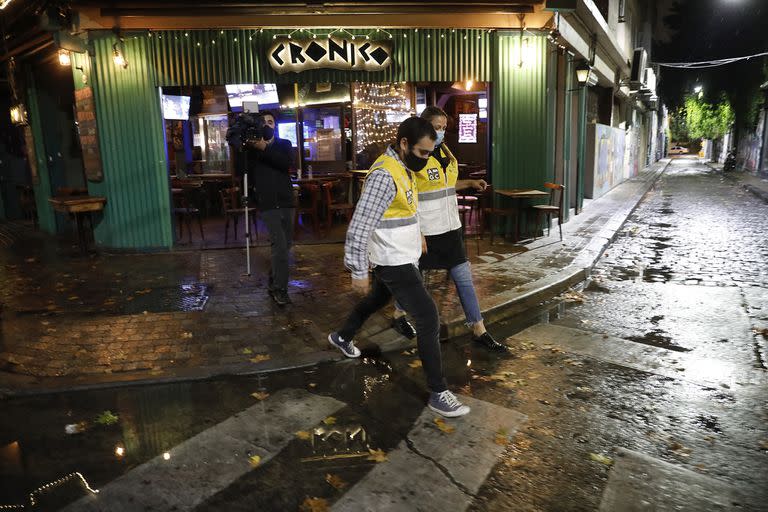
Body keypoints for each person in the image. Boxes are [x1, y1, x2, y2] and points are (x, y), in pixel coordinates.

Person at [328, 116, 470, 418]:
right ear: (404, 143)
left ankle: (342, 336)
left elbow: (406, 207)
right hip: (392, 259)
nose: (426, 158)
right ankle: (438, 392)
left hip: (402, 255)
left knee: (378, 299)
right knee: (428, 317)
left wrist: (417, 234)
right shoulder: (384, 175)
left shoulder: (403, 166)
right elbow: (360, 226)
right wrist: (357, 270)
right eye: (422, 153)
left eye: (429, 153)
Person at [391, 106, 508, 352]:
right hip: (425, 230)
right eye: (436, 127)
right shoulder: (417, 156)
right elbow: (407, 195)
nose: (441, 132)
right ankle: (398, 314)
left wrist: (469, 183)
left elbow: (446, 185)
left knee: (464, 278)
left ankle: (478, 328)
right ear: (423, 127)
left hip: (451, 227)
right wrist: (416, 231)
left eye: (444, 128)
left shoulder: (444, 151)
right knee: (415, 279)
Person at [244, 111, 295, 306]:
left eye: (270, 122)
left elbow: (285, 163)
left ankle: (274, 279)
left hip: (286, 203)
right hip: (268, 205)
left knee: (285, 245)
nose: (267, 125)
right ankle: (280, 290)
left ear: (275, 125)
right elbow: (243, 169)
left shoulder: (284, 145)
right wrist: (248, 147)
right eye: (263, 122)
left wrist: (265, 147)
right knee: (280, 247)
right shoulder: (252, 150)